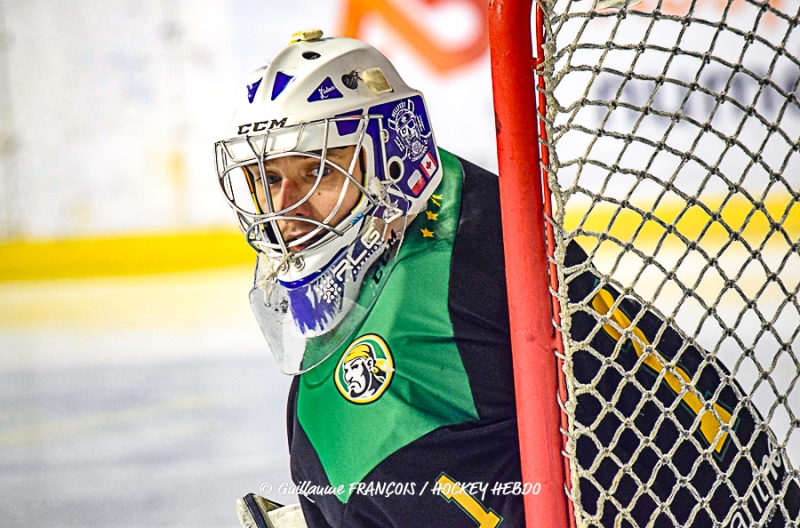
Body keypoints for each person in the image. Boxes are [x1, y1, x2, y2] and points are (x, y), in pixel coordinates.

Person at [215, 29, 800, 528]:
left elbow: (394, 462)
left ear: (390, 153)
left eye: (317, 170)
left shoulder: (427, 335)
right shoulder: (459, 200)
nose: (283, 210)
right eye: (267, 178)